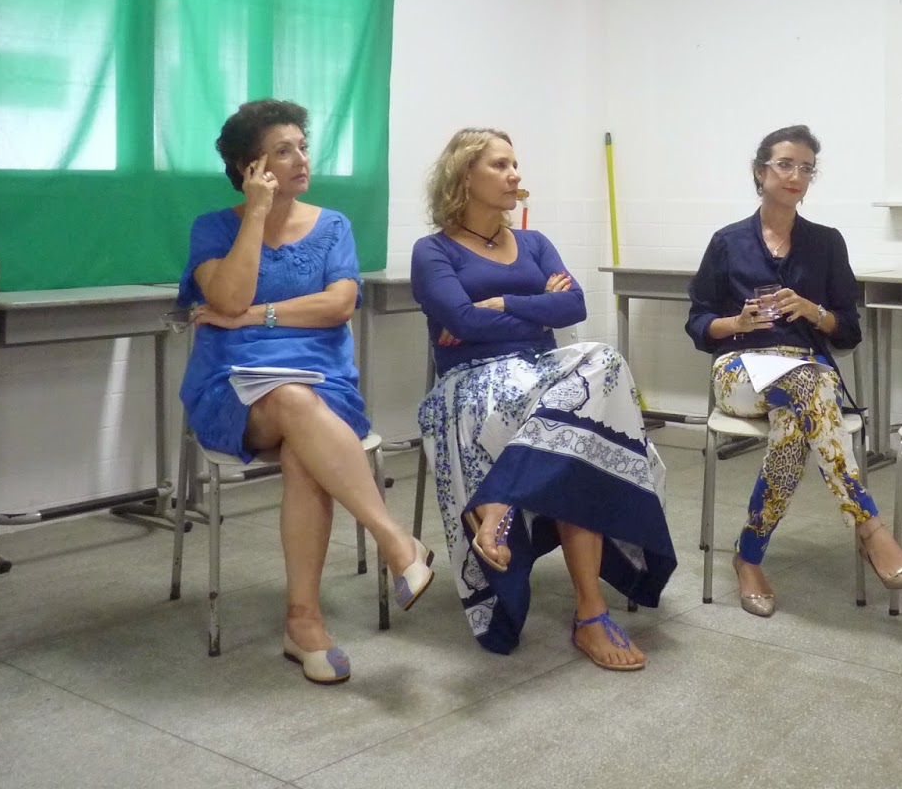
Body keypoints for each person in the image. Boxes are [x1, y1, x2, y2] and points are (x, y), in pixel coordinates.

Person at [177, 99, 433, 686]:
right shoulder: (214, 228)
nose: (300, 159)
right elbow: (228, 296)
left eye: (302, 146)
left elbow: (338, 305)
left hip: (326, 384)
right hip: (233, 389)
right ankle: (396, 541)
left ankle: (304, 622)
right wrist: (255, 215)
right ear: (250, 168)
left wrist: (254, 317)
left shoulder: (333, 225)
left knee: (303, 446)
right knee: (292, 402)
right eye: (282, 151)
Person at [410, 128, 674, 670]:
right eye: (500, 165)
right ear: (464, 176)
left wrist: (500, 302)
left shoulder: (534, 243)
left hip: (544, 374)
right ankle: (590, 615)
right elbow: (462, 322)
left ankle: (500, 500)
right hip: (472, 384)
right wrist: (534, 307)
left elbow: (574, 306)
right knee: (580, 437)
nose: (515, 175)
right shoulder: (432, 251)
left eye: (515, 164)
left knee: (604, 360)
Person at [686, 124, 902, 617]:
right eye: (785, 165)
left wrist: (815, 312)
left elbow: (849, 330)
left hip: (806, 369)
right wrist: (738, 322)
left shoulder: (826, 243)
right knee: (807, 387)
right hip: (740, 370)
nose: (796, 175)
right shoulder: (727, 242)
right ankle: (869, 527)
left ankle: (749, 556)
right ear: (760, 172)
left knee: (795, 423)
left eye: (806, 168)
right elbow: (698, 323)